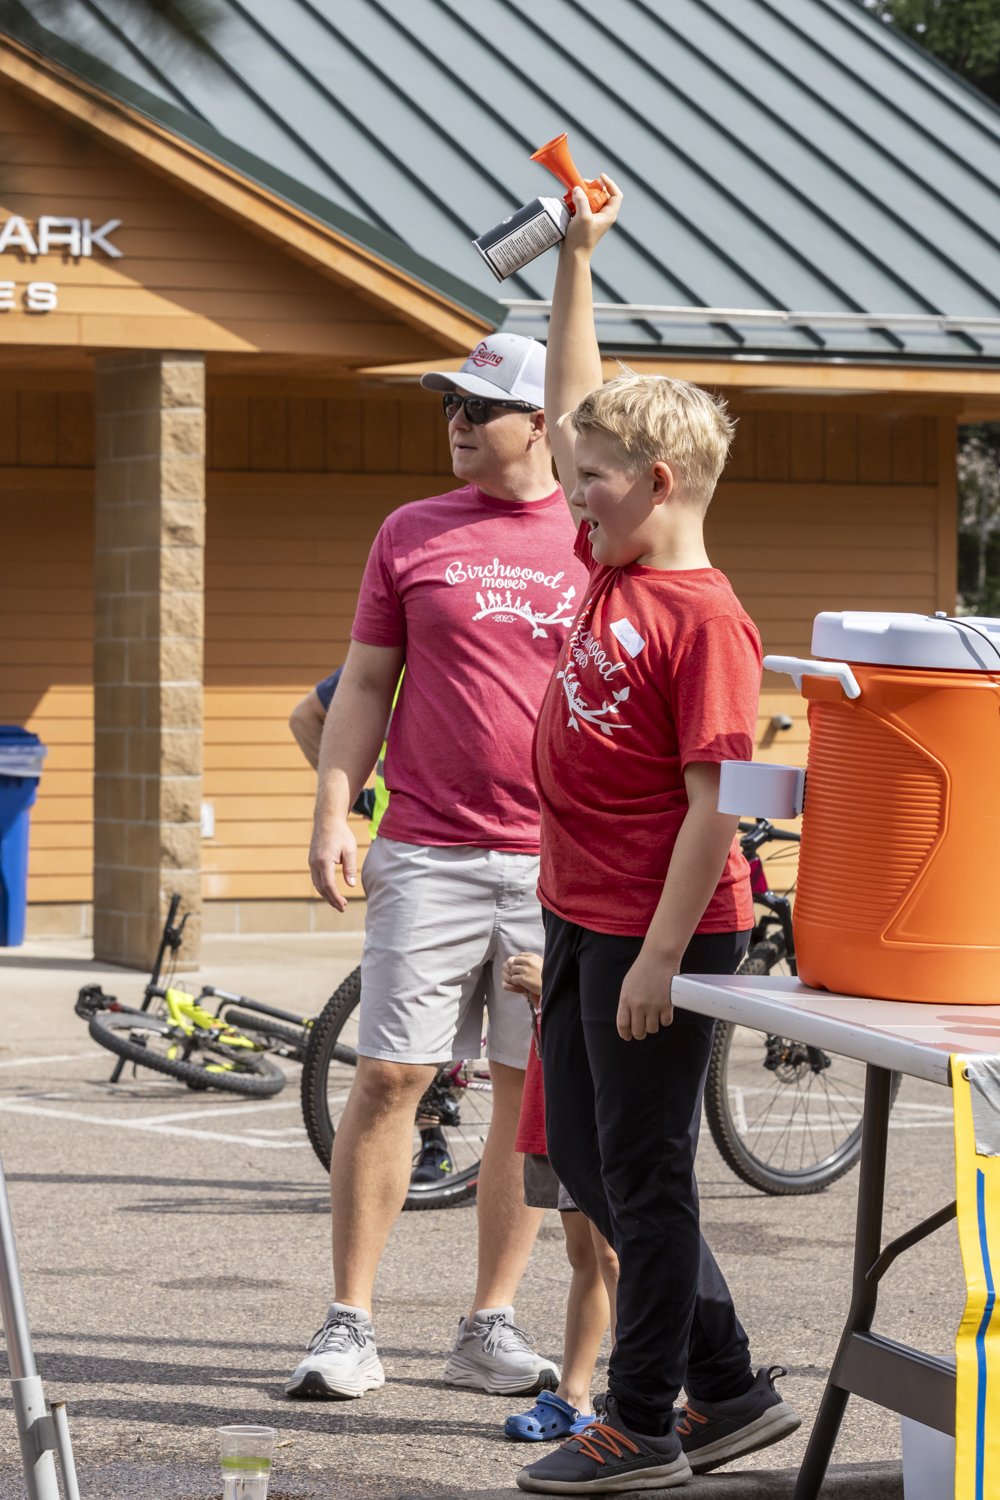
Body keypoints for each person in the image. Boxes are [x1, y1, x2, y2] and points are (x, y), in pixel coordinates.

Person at [516, 182, 800, 1493]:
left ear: (662, 484)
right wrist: (577, 261)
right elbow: (580, 397)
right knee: (582, 1159)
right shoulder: (611, 560)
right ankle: (733, 1384)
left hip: (664, 921)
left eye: (592, 486)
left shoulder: (704, 620)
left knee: (642, 1173)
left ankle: (640, 1418)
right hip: (583, 905)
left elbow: (713, 810)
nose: (570, 502)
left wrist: (659, 961)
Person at [288, 331, 586, 1401]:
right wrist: (337, 809)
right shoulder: (411, 532)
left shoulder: (597, 540)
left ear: (542, 421)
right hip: (426, 849)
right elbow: (360, 686)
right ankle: (346, 1325)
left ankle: (487, 1327)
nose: (457, 421)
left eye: (480, 406)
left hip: (559, 868)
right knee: (390, 1076)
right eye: (448, 405)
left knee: (523, 1091)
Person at [501, 951, 618, 1444]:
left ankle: (636, 1397)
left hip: (607, 1109)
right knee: (585, 1254)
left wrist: (552, 984)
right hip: (566, 1102)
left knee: (615, 1253)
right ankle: (574, 1394)